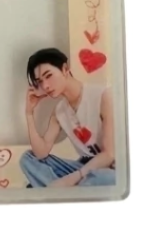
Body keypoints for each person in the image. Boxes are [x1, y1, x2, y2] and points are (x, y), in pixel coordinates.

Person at [20, 47, 116, 187]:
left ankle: (56, 189)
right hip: (84, 168)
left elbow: (110, 154)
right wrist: (29, 113)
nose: (45, 85)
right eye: (39, 81)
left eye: (48, 76)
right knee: (27, 159)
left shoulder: (103, 96)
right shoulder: (59, 112)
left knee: (102, 178)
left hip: (111, 168)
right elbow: (41, 153)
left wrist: (72, 178)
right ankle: (73, 190)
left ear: (65, 69)